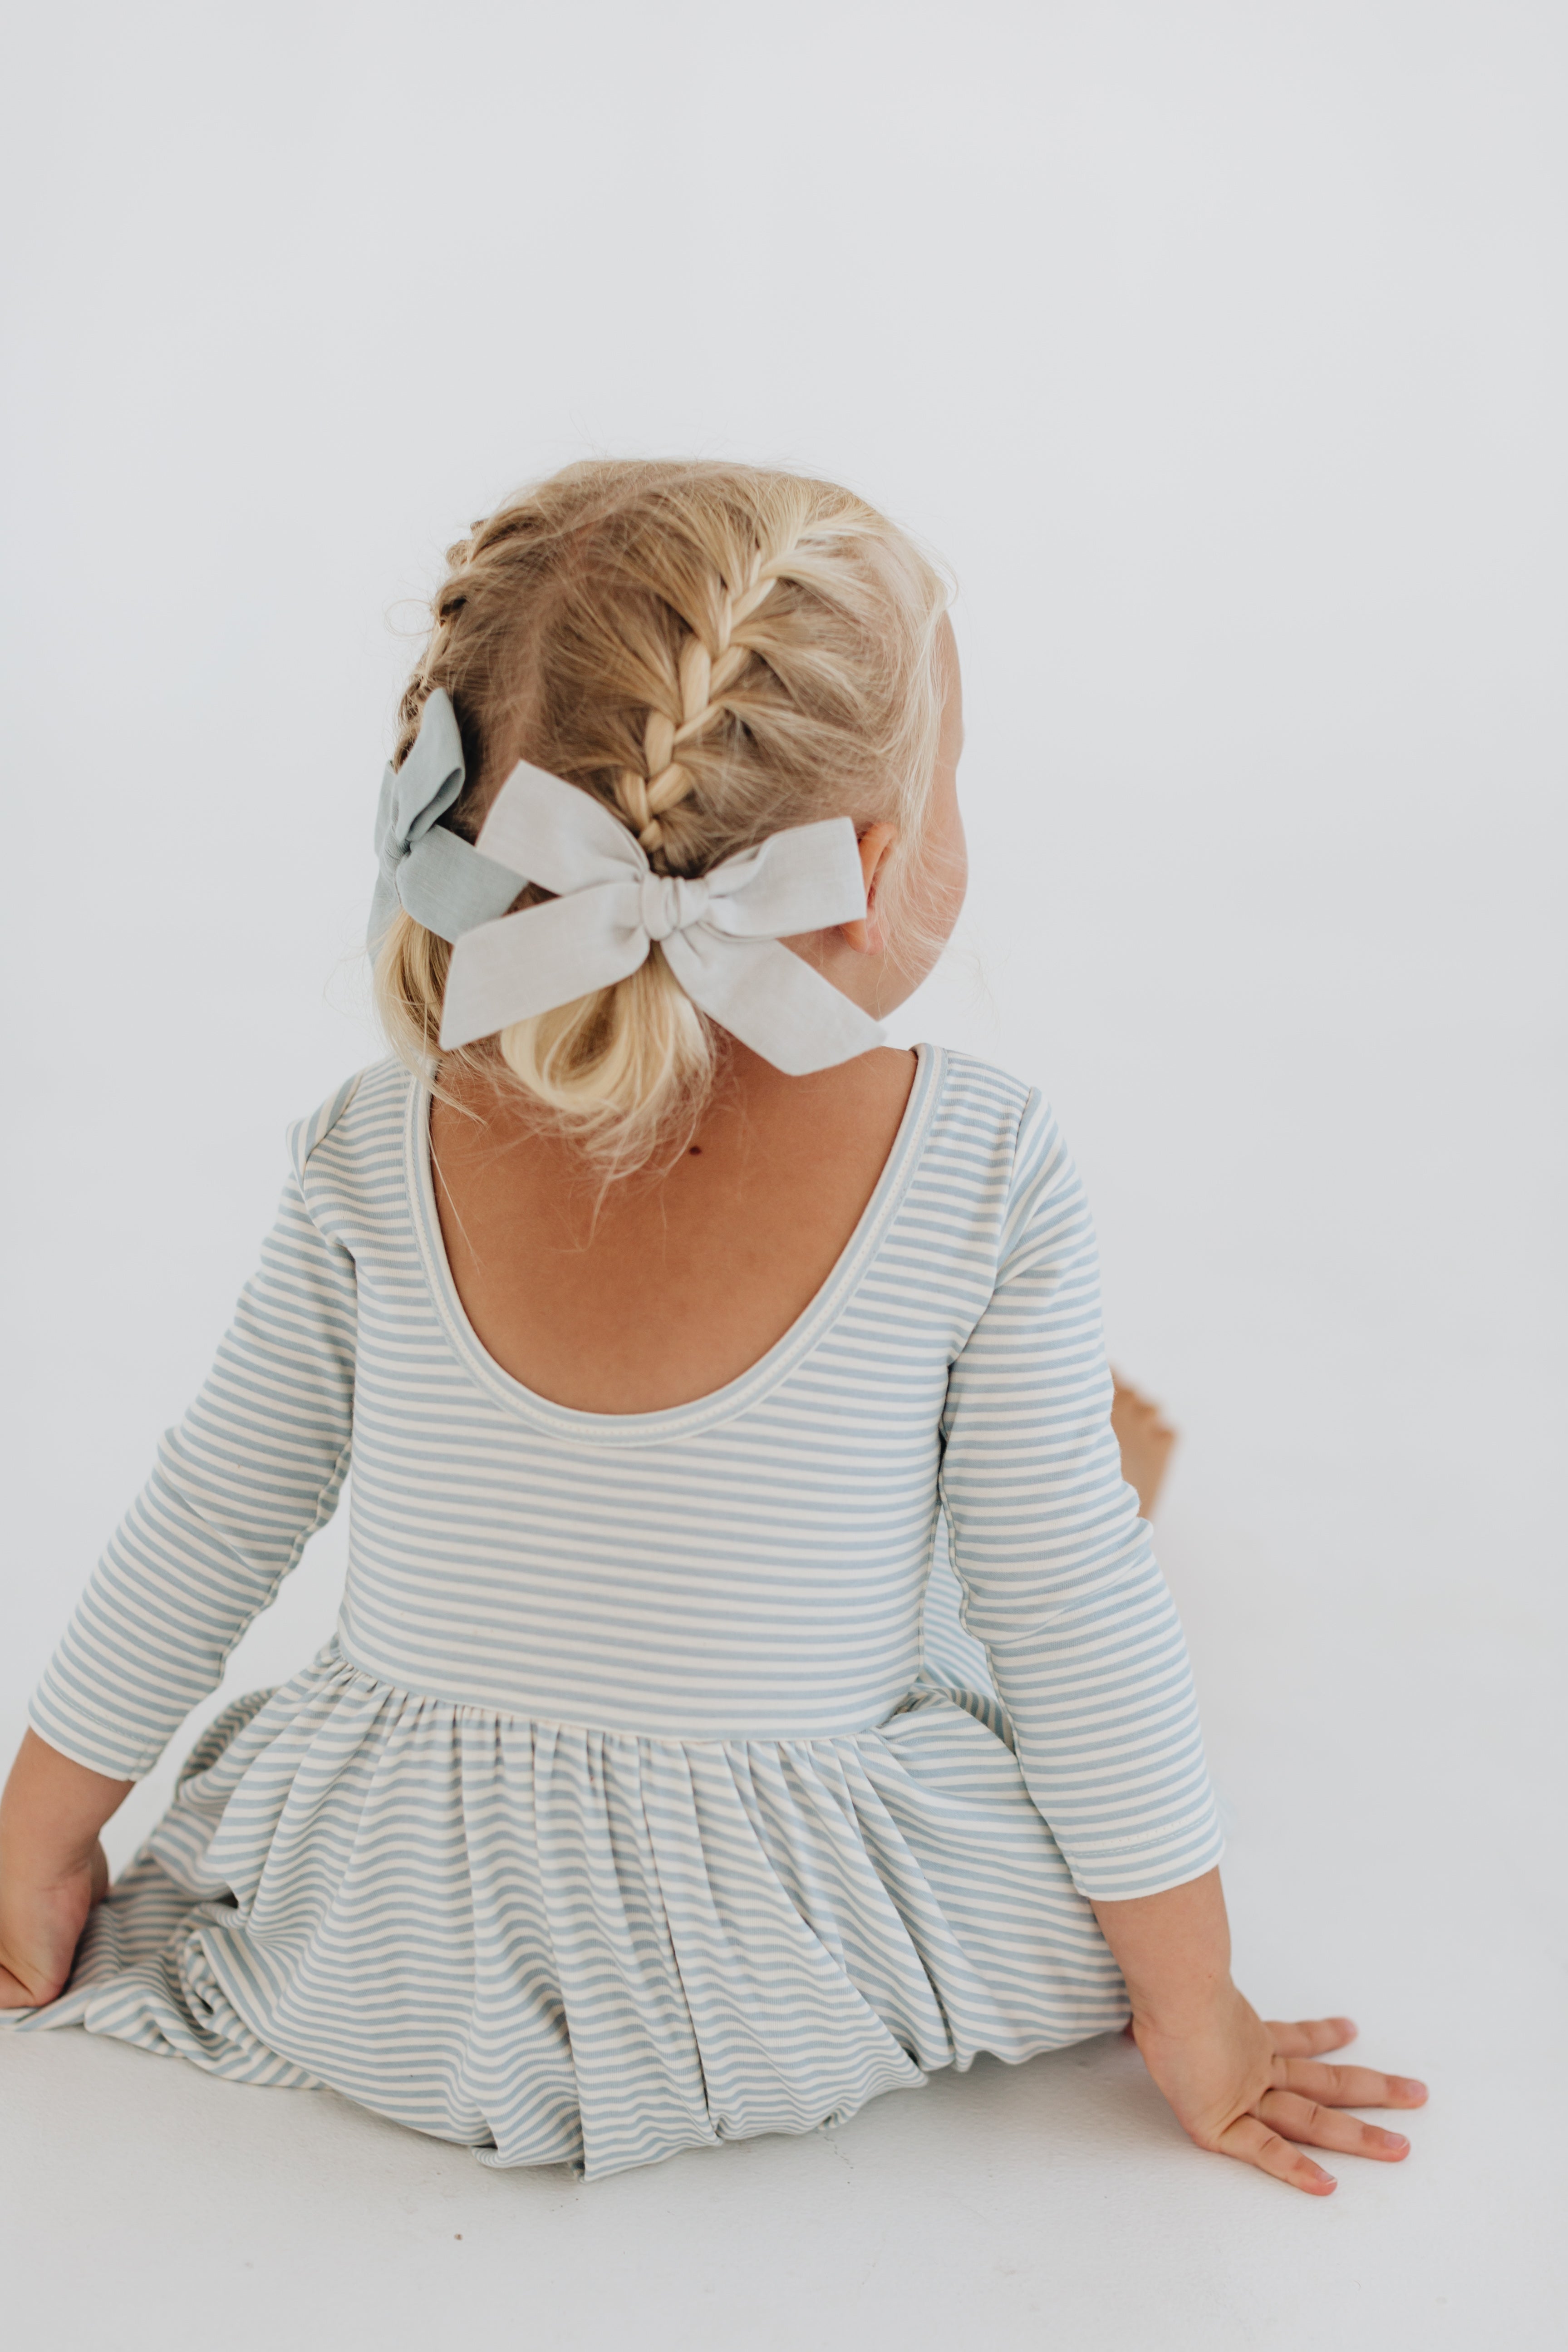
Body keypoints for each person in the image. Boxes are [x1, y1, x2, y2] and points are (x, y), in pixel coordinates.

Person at [0, 460, 1424, 2190]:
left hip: (385, 1951)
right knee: (1023, 1571)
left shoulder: (385, 1138)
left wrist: (37, 1846)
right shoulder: (976, 1160)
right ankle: (1053, 1461)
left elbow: (212, 1514)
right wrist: (1193, 2006)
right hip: (782, 1970)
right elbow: (1080, 1626)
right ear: (875, 863)